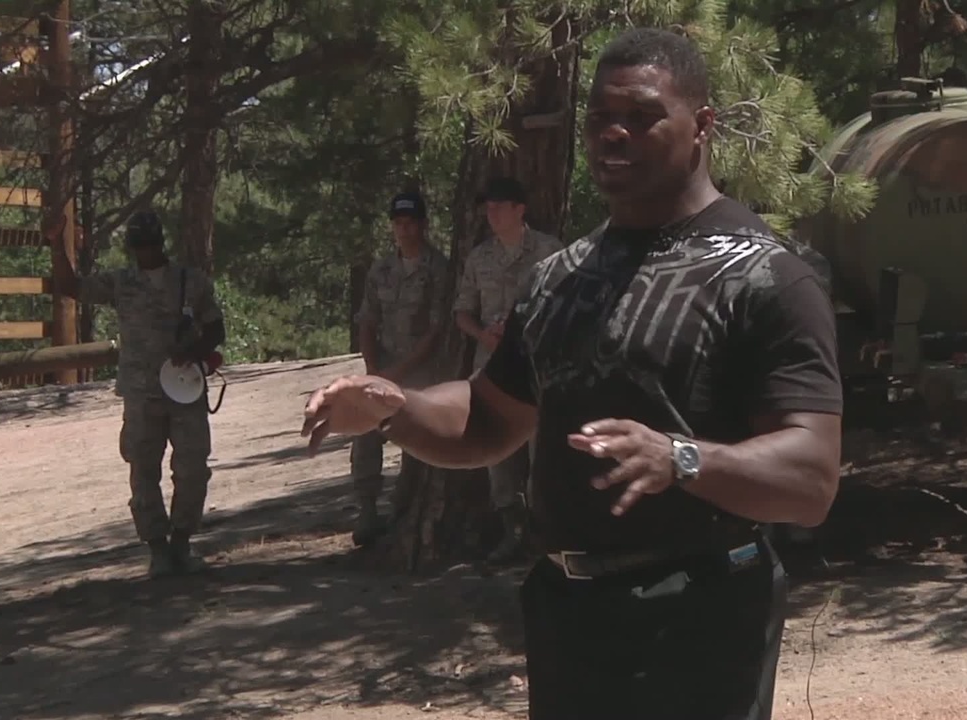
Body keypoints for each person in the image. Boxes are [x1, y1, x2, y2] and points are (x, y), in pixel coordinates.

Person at [301, 27, 842, 720]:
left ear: (702, 126)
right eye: (600, 120)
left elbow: (813, 476)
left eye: (642, 117)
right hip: (569, 612)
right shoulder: (559, 277)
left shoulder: (765, 276)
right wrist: (391, 406)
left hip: (701, 613)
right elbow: (489, 418)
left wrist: (681, 459)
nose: (614, 135)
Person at [61, 210, 226, 578]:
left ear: (160, 243)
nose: (146, 252)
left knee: (193, 468)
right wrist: (57, 243)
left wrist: (193, 352)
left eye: (150, 244)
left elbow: (216, 329)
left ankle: (182, 541)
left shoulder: (190, 282)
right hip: (141, 393)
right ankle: (158, 548)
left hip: (184, 390)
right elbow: (71, 286)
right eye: (139, 246)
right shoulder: (121, 283)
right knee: (143, 470)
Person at [454, 176, 564, 563]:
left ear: (520, 210)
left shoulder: (550, 252)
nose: (491, 213)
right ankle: (511, 531)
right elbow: (461, 310)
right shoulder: (479, 257)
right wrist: (483, 334)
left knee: (544, 454)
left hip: (537, 370)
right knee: (496, 455)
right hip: (492, 372)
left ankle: (545, 537)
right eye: (488, 207)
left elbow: (567, 307)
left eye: (499, 206)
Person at [349, 191, 450, 547]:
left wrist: (401, 370)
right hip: (384, 366)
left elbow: (437, 329)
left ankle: (403, 509)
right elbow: (366, 321)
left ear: (422, 225)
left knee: (415, 441)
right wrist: (374, 368)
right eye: (398, 224)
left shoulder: (438, 268)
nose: (404, 231)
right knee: (364, 428)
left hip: (421, 371)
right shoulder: (381, 269)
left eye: (410, 223)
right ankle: (366, 510)